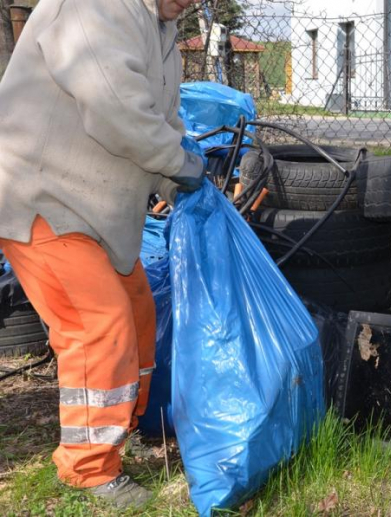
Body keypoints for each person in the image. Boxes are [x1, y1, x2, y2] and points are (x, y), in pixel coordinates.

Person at [0, 0, 203, 509]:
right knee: (97, 326)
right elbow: (117, 110)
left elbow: (161, 122)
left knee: (138, 314)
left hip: (97, 214)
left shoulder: (163, 34)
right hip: (41, 199)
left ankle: (119, 429)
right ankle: (88, 468)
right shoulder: (96, 6)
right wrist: (180, 165)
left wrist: (179, 182)